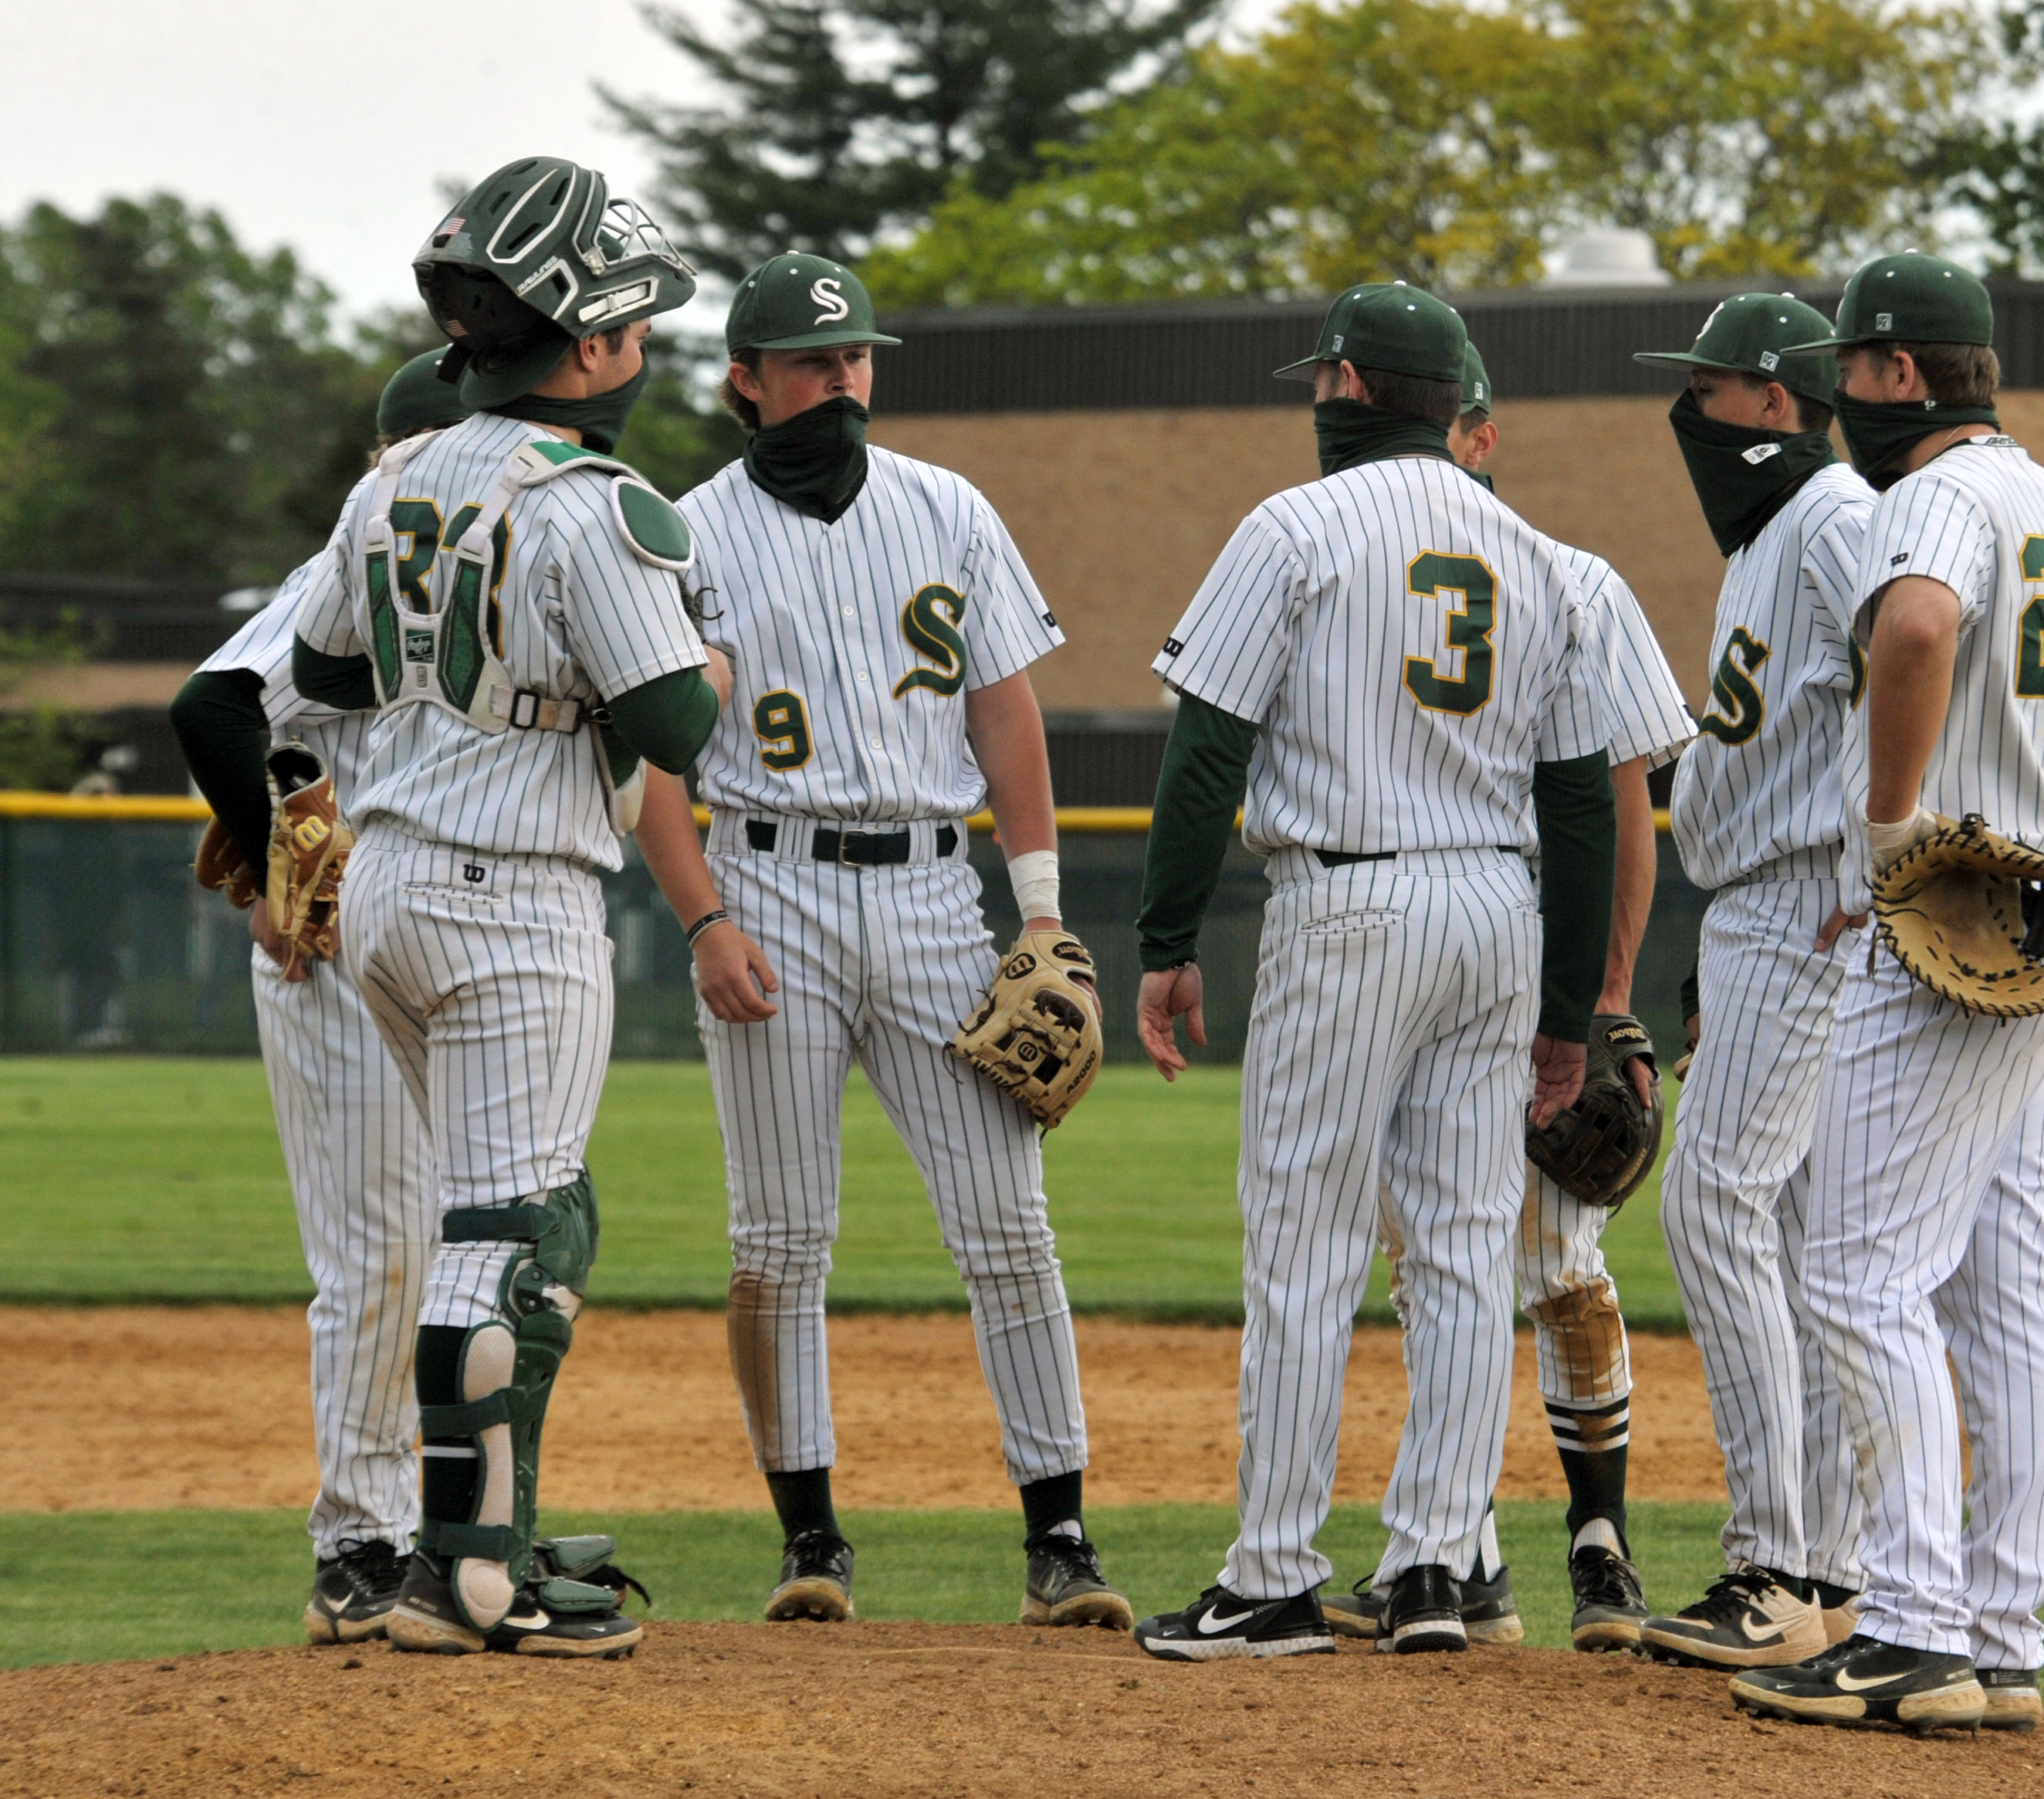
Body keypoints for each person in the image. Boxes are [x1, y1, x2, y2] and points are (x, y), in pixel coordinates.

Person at [1729, 252, 2044, 1730]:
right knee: (2011, 1282)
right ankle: (2001, 1633)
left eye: (1853, 370)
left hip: (1957, 924)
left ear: (1904, 375)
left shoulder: (1932, 498)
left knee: (1864, 1275)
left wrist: (1891, 835)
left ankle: (1918, 1631)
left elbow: (1920, 629)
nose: (1839, 395)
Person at [628, 252, 1129, 1632]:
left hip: (930, 891)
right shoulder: (685, 534)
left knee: (1009, 1230)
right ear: (745, 380)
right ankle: (811, 1541)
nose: (840, 379)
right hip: (768, 885)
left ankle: (1063, 1537)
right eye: (808, 361)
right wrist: (705, 919)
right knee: (780, 1239)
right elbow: (651, 767)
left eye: (854, 359)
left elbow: (1007, 714)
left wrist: (1039, 907)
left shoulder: (948, 507)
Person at [1127, 283, 1624, 1662]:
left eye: (1322, 380)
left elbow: (1208, 747)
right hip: (1496, 908)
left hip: (1350, 903)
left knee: (1306, 1240)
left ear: (1347, 388)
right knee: (1467, 1247)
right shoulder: (1540, 553)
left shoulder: (1291, 530)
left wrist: (1167, 941)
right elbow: (1583, 804)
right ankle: (1432, 1574)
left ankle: (1274, 1574)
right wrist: (1569, 1008)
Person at [288, 156, 729, 1660]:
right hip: (512, 895)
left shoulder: (392, 479)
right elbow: (677, 725)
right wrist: (699, 671)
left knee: (525, 1213)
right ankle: (464, 1572)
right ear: (590, 342)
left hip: (390, 881)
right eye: (636, 321)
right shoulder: (598, 504)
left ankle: (489, 1544)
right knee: (508, 1234)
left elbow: (335, 675)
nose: (648, 342)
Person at [1318, 341, 1694, 1653]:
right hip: (1452, 963)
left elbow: (1626, 814)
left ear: (1487, 439)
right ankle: (1464, 1554)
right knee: (1441, 1260)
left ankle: (1596, 1547)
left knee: (1539, 1260)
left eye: (1470, 430)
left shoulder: (1573, 582)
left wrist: (1598, 1002)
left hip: (1503, 968)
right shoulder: (1386, 569)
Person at [166, 352, 464, 1645]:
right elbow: (215, 704)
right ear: (390, 462)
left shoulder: (486, 567)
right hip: (340, 952)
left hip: (456, 938)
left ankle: (456, 1536)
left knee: (481, 1248)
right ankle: (361, 1541)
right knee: (383, 1253)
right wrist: (287, 851)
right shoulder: (353, 565)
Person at [1606, 296, 1877, 1670]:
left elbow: (1911, 673)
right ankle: (1828, 1571)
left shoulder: (1829, 520)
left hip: (1811, 909)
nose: (1689, 413)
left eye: (1709, 389)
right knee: (1798, 1241)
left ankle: (1772, 1562)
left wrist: (1859, 874)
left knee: (1714, 1203)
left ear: (1777, 402)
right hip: (1765, 917)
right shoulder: (1773, 537)